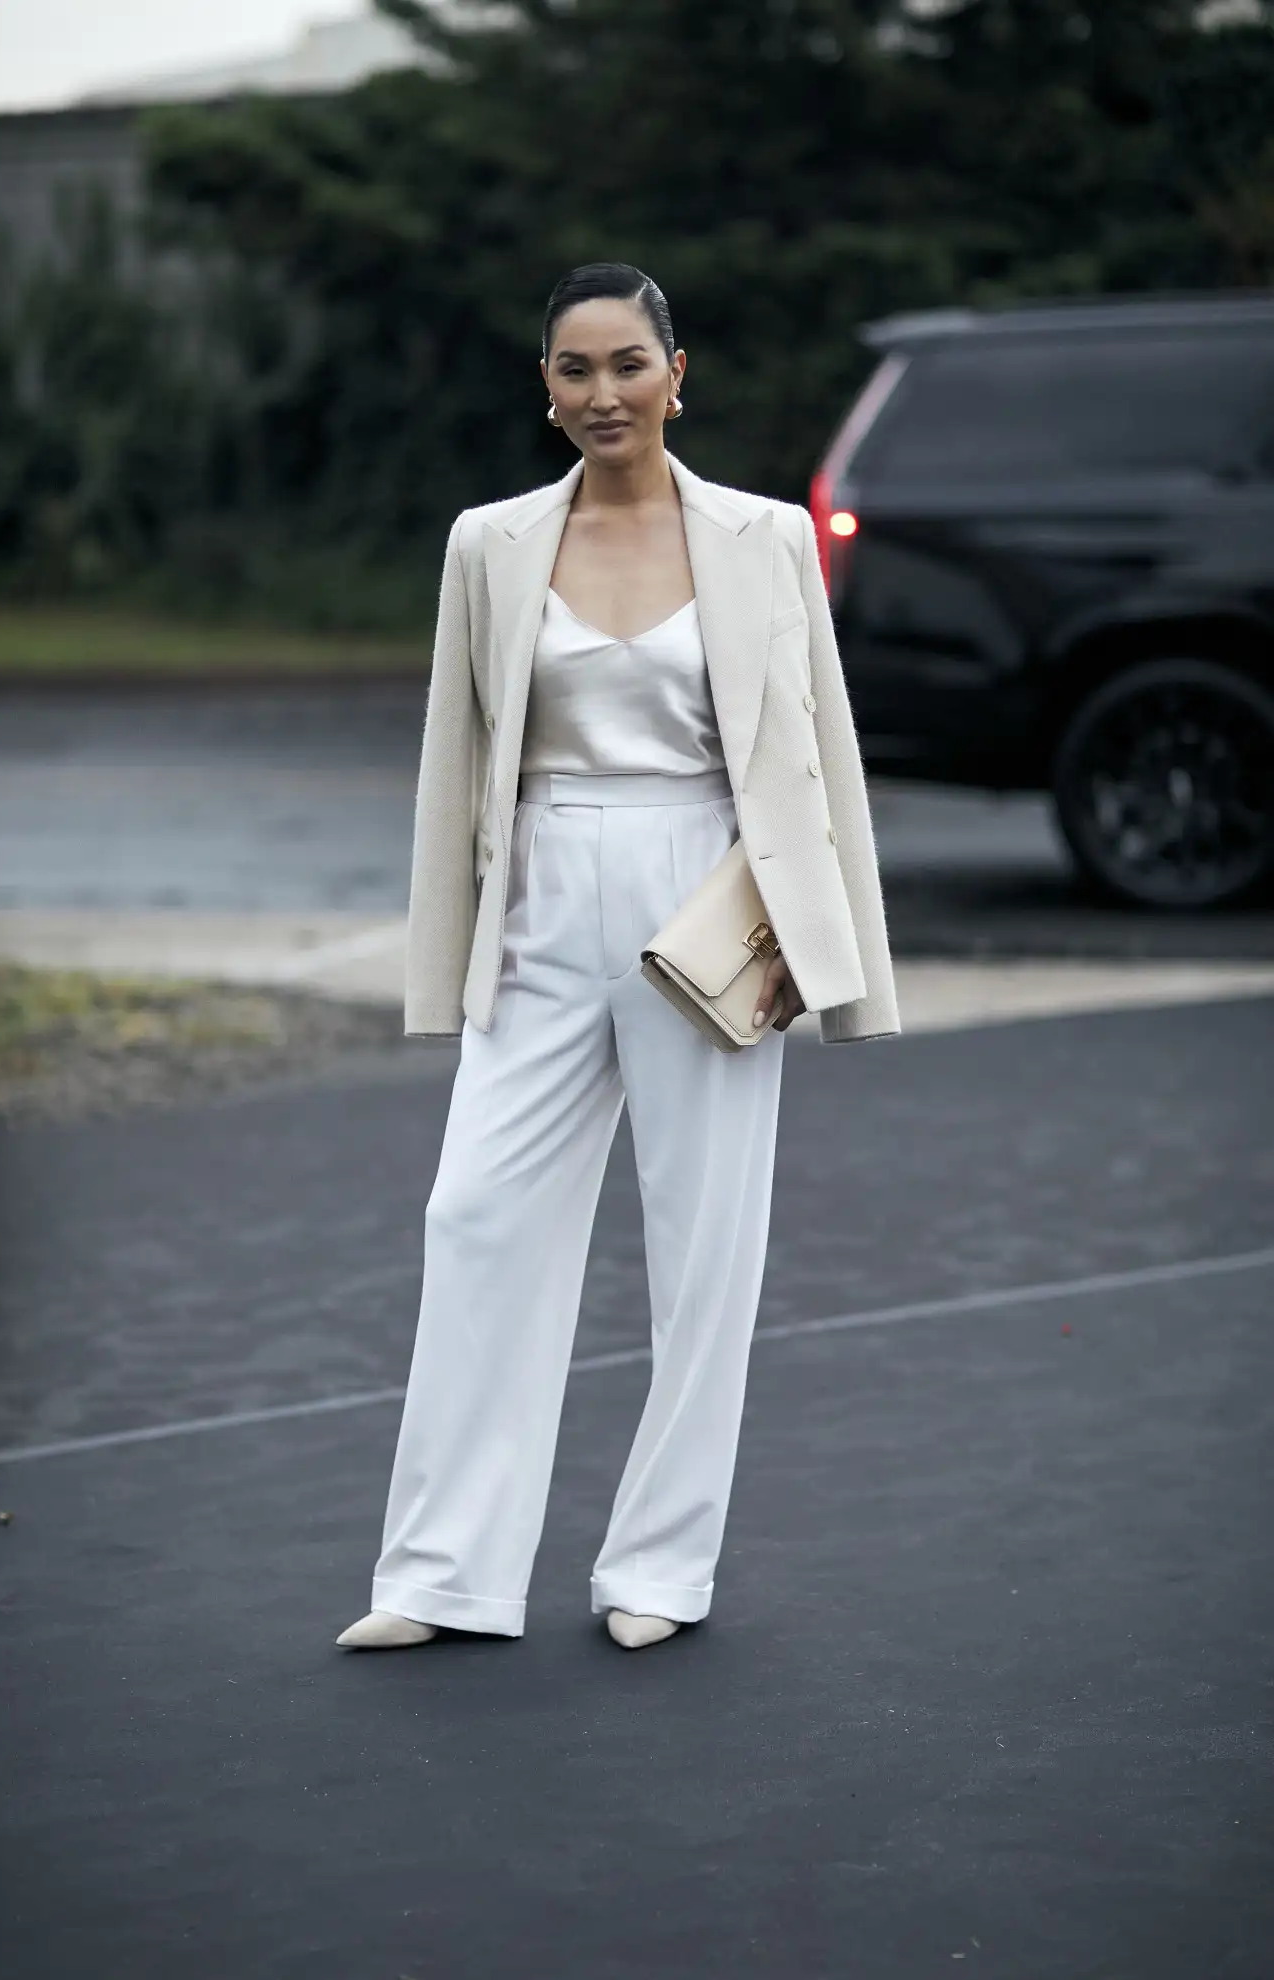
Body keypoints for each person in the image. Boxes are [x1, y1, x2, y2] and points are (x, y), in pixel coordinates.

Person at [338, 262, 897, 1654]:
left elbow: (820, 756)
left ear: (677, 371)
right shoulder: (490, 543)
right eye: (575, 370)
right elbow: (454, 768)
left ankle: (660, 1568)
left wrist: (836, 961)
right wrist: (447, 958)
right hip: (541, 892)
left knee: (706, 1247)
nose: (605, 394)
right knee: (473, 1216)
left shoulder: (764, 539)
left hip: (711, 890)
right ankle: (442, 1575)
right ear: (545, 389)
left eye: (628, 365)